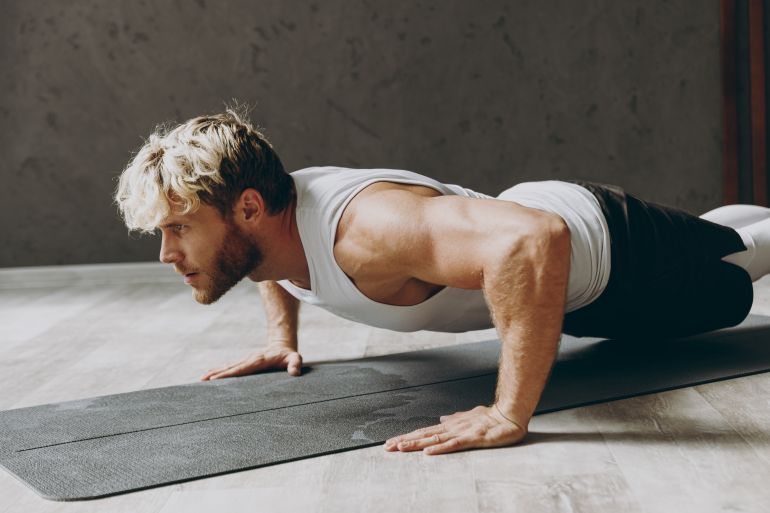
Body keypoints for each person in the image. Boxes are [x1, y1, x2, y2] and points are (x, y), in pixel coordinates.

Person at [115, 108, 770, 455]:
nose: (168, 252)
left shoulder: (365, 230)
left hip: (613, 253)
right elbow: (261, 260)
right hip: (562, 292)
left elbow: (534, 239)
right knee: (727, 243)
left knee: (740, 266)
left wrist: (509, 412)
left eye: (179, 227)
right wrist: (280, 334)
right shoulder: (266, 225)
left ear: (249, 208)